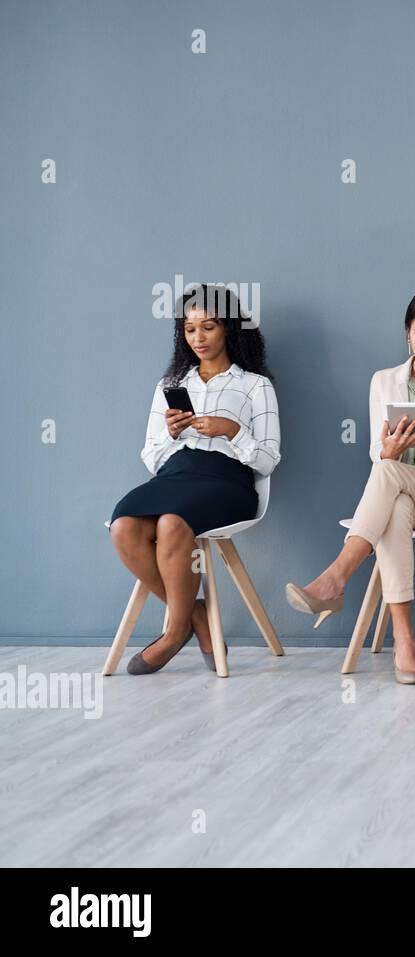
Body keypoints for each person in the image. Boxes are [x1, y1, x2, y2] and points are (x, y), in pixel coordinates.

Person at [285, 290, 415, 685]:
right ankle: (405, 642)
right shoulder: (384, 381)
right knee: (393, 504)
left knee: (387, 475)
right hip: (400, 494)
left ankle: (336, 577)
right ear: (406, 334)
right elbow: (376, 454)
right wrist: (389, 449)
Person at [110, 283, 281, 674]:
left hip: (229, 480)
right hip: (175, 475)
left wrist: (230, 430)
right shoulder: (171, 385)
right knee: (123, 525)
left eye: (208, 327)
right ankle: (196, 615)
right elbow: (151, 457)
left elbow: (268, 460)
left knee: (173, 524)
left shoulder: (255, 385)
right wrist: (171, 435)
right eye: (189, 329)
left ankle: (174, 632)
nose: (198, 338)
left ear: (229, 330)